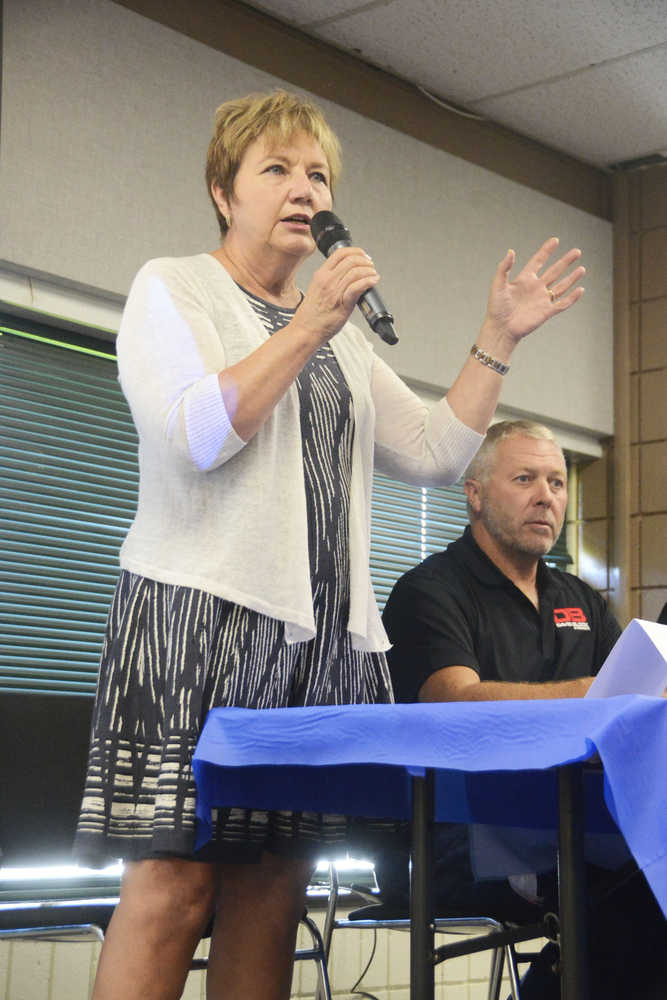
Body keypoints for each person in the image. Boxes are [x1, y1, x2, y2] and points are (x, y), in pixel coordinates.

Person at [73, 90, 586, 1000]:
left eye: (317, 173)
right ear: (223, 193)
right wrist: (311, 320)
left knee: (275, 885)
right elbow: (197, 433)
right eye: (276, 169)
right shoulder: (174, 287)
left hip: (313, 637)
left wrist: (497, 337)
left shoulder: (342, 338)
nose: (303, 188)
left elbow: (431, 451)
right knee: (174, 879)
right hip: (195, 621)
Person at [380, 419, 667, 999]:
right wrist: (597, 691)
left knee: (645, 877)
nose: (547, 496)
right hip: (460, 836)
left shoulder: (580, 598)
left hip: (582, 828)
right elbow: (455, 701)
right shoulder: (429, 591)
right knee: (640, 888)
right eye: (525, 478)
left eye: (558, 483)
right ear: (476, 493)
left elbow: (636, 704)